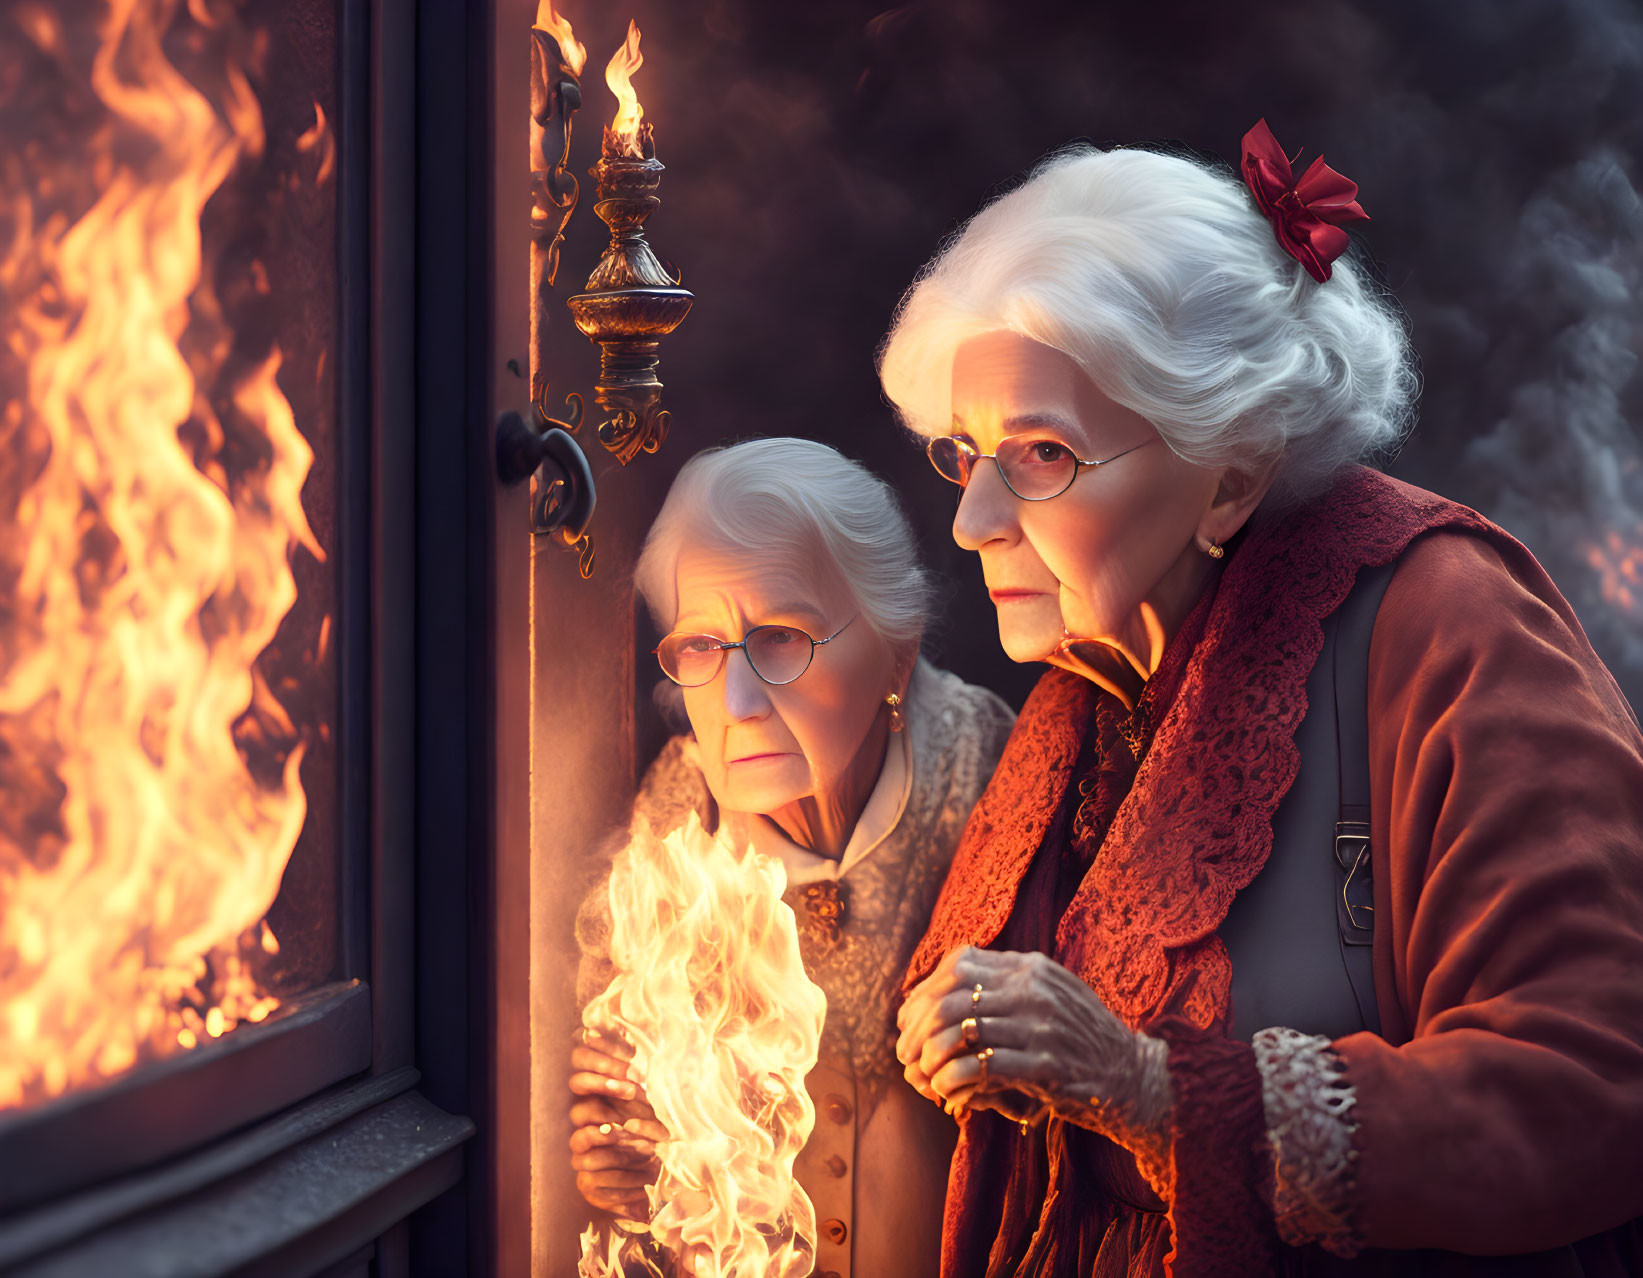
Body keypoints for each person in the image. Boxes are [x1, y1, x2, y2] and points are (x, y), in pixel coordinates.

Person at [884, 122, 1643, 1276]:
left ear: (1228, 474)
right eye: (964, 451)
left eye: (1039, 454)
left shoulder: (1442, 618)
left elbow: (1596, 1078)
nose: (971, 521)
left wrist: (1144, 1086)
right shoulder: (1092, 672)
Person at [570, 437, 1016, 1278]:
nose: (734, 703)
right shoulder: (674, 828)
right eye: (700, 647)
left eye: (779, 637)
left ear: (897, 649)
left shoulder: (993, 776)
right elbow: (660, 1163)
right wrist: (629, 1169)